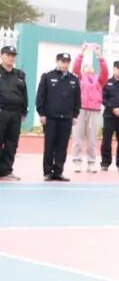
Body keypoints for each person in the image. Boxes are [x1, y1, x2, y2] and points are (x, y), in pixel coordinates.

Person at [35, 52, 81, 181]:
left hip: (66, 118)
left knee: (62, 146)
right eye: (62, 61)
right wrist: (41, 113)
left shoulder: (74, 79)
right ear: (57, 62)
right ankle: (48, 172)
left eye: (67, 62)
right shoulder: (47, 76)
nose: (65, 64)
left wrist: (75, 115)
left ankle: (58, 171)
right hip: (51, 118)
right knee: (49, 146)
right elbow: (40, 97)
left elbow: (77, 100)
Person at [71, 45, 108, 173]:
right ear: (83, 70)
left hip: (94, 111)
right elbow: (75, 68)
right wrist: (82, 52)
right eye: (86, 66)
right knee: (78, 137)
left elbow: (105, 71)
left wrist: (99, 55)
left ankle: (91, 163)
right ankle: (77, 161)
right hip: (81, 110)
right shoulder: (79, 78)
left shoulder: (99, 80)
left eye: (91, 66)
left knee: (92, 139)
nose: (89, 67)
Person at [0, 45, 28, 182]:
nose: (11, 58)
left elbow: (24, 94)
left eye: (13, 56)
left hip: (15, 114)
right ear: (1, 56)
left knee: (11, 144)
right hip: (1, 112)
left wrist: (24, 111)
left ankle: (6, 171)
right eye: (8, 55)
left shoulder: (20, 74)